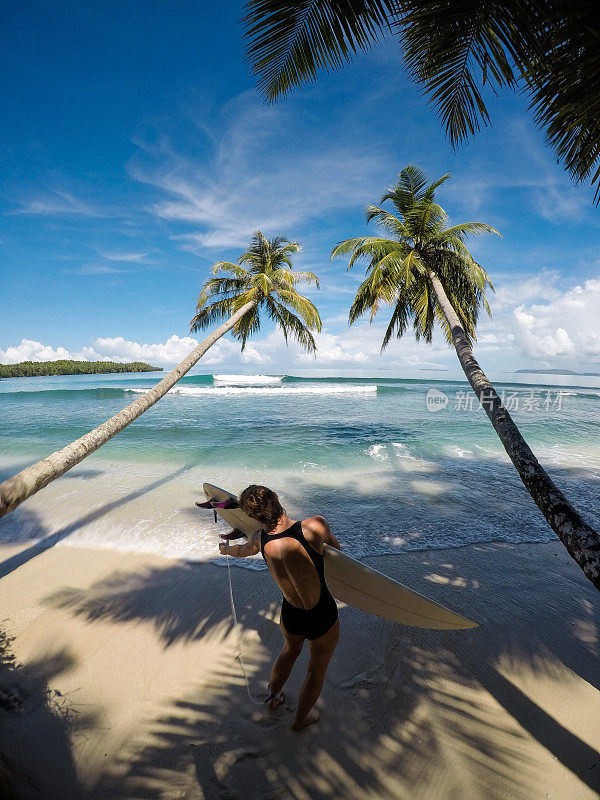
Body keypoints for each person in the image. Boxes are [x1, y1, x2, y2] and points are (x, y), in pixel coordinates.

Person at [218, 484, 341, 730]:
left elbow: (241, 551)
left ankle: (273, 697)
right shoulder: (314, 526)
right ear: (275, 496)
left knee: (289, 651)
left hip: (291, 613)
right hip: (321, 613)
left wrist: (226, 549)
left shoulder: (259, 540)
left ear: (254, 516)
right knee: (316, 670)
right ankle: (300, 720)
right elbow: (337, 555)